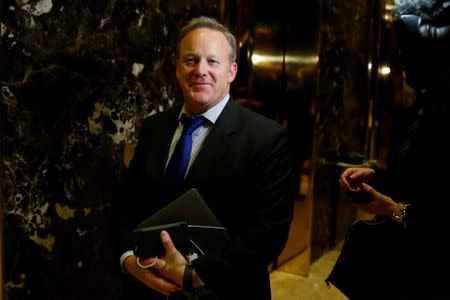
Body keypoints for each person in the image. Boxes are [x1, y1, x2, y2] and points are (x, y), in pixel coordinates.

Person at [111, 16, 295, 300]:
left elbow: (267, 234)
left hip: (222, 292)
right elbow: (126, 201)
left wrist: (192, 275)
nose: (200, 70)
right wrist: (127, 259)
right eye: (190, 60)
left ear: (232, 71)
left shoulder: (267, 138)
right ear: (177, 68)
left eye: (213, 61)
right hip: (144, 286)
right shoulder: (155, 127)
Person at [338, 0, 450, 298]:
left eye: (407, 46)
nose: (400, 58)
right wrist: (375, 178)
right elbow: (420, 179)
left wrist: (393, 209)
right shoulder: (426, 102)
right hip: (402, 263)